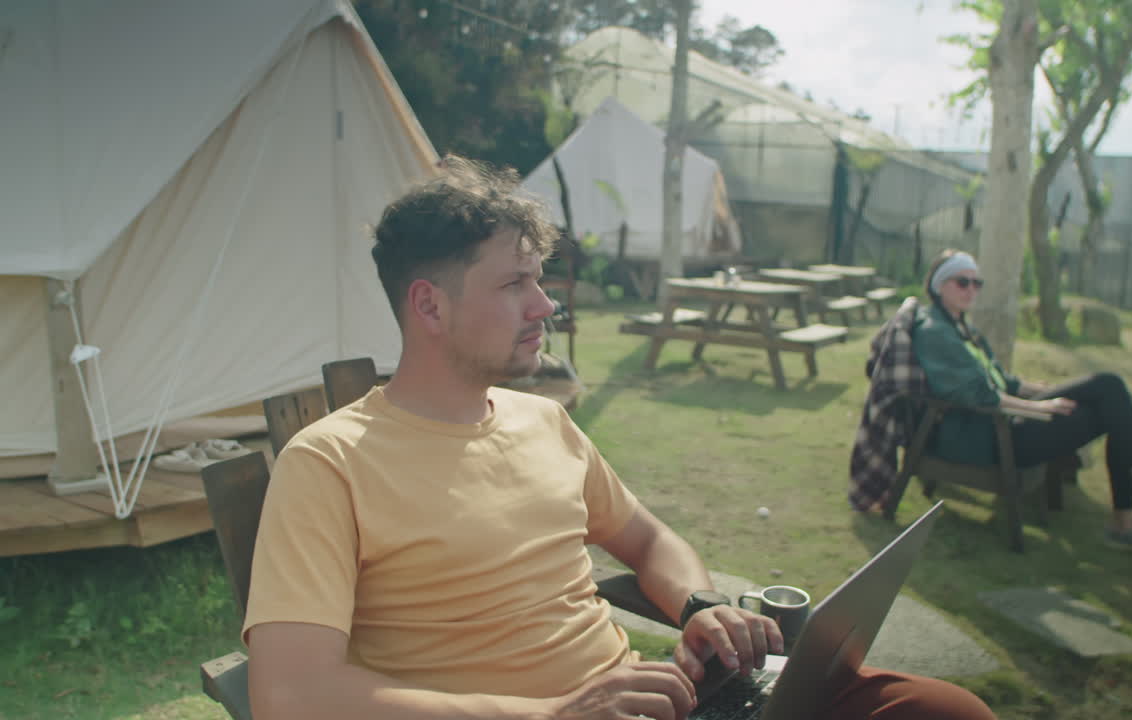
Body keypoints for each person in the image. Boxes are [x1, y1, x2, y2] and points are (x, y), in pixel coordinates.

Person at [241, 157, 997, 720]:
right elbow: (290, 691)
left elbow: (647, 539)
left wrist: (699, 606)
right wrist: (554, 714)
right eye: (515, 285)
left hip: (651, 703)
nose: (545, 306)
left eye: (540, 280)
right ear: (429, 306)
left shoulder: (543, 422)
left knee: (940, 711)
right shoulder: (330, 463)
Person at [909, 248, 1132, 555]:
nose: (971, 290)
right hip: (984, 435)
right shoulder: (936, 333)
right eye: (962, 282)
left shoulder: (964, 330)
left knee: (1112, 402)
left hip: (1002, 420)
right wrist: (1038, 406)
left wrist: (1036, 389)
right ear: (939, 285)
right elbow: (975, 395)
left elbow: (1002, 380)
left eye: (977, 284)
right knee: (1111, 395)